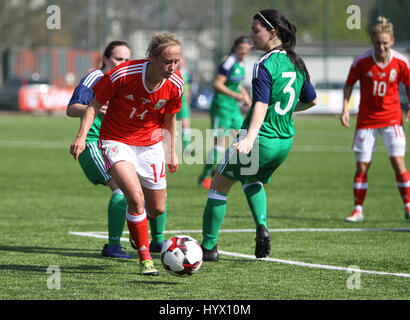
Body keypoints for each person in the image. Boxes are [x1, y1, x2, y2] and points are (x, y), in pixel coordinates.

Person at [200, 9, 317, 262]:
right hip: (284, 142)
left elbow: (261, 104)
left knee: (218, 185)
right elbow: (310, 101)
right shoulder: (296, 61)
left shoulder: (264, 63)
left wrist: (250, 138)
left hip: (261, 139)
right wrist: (281, 110)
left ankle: (208, 248)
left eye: (256, 31)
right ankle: (262, 226)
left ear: (272, 33)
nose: (251, 36)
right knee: (250, 178)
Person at [70, 32, 183, 276]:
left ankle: (136, 230)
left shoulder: (175, 84)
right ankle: (145, 259)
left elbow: (170, 117)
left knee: (157, 209)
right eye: (167, 62)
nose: (172, 67)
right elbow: (94, 105)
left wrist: (172, 150)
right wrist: (81, 137)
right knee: (133, 196)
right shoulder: (123, 75)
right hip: (116, 140)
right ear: (151, 57)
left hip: (150, 144)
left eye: (177, 62)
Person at [341, 17, 410, 222]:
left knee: (398, 163)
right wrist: (345, 109)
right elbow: (349, 84)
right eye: (378, 42)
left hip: (392, 119)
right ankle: (357, 210)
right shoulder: (361, 61)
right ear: (372, 41)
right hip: (367, 120)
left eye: (385, 43)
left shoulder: (401, 62)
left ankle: (408, 205)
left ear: (392, 41)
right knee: (362, 166)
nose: (381, 46)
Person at [67, 41, 132, 258]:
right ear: (105, 59)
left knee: (145, 188)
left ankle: (154, 241)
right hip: (94, 143)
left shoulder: (127, 80)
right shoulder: (95, 78)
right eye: (118, 59)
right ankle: (113, 246)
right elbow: (71, 108)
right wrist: (94, 107)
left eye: (127, 60)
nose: (123, 63)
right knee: (122, 189)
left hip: (119, 144)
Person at [198, 36, 252, 189]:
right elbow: (217, 84)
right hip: (221, 108)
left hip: (233, 109)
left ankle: (222, 171)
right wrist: (236, 96)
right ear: (235, 48)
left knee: (243, 138)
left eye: (247, 49)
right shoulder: (228, 62)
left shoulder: (243, 63)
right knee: (220, 144)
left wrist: (246, 96)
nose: (244, 52)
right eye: (241, 48)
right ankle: (204, 177)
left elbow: (237, 84)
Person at [176, 55, 194, 156]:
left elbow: (187, 90)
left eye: (182, 62)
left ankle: (187, 148)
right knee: (170, 126)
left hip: (183, 104)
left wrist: (188, 103)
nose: (181, 63)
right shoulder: (171, 73)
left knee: (185, 125)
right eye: (179, 61)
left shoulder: (186, 73)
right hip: (173, 103)